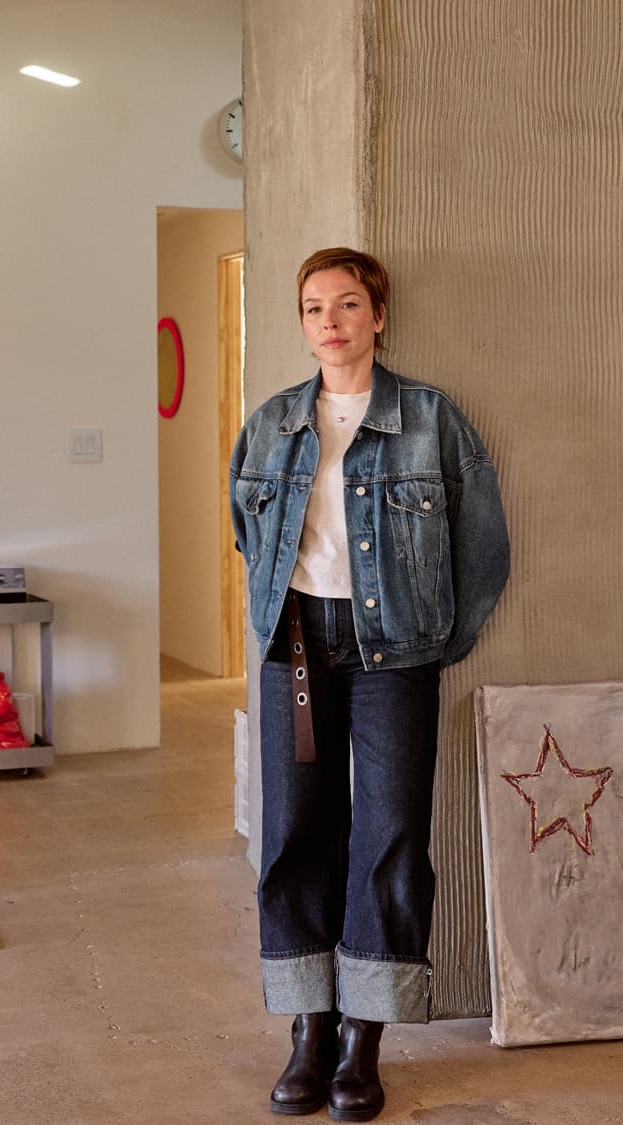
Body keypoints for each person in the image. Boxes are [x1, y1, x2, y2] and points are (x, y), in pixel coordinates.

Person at [230, 247, 509, 1121]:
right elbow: (247, 528)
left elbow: (485, 548)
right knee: (294, 829)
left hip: (397, 652)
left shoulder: (430, 419)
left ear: (378, 315)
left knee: (389, 834)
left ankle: (363, 1039)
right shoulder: (273, 423)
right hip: (298, 651)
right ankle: (307, 1029)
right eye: (314, 307)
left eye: (347, 304)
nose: (330, 321)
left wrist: (433, 641)